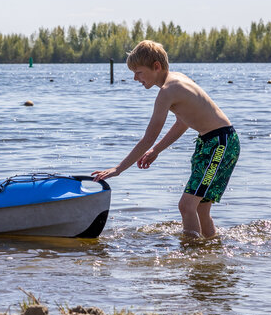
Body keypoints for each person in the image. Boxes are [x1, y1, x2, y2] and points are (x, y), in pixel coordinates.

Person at [92, 40, 239, 239]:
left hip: (220, 144)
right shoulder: (177, 80)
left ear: (156, 66)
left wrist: (119, 169)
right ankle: (208, 255)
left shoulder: (167, 91)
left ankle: (192, 255)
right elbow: (182, 123)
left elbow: (148, 138)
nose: (135, 78)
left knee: (186, 206)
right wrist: (156, 151)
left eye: (139, 72)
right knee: (200, 208)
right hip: (213, 142)